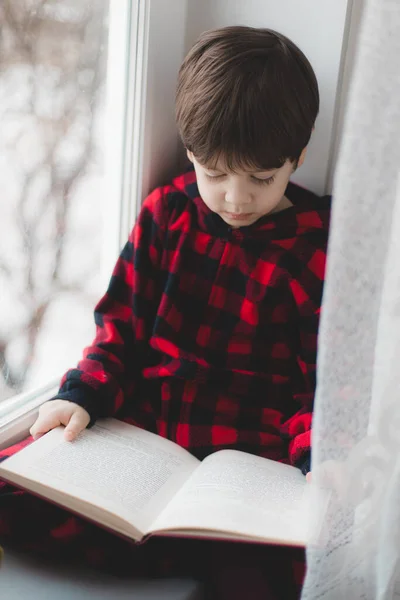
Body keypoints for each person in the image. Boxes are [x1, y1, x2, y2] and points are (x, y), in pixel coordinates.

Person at [0, 26, 331, 598]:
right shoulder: (165, 215)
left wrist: (317, 461)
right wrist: (81, 395)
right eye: (216, 174)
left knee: (275, 569)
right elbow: (119, 329)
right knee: (18, 486)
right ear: (191, 153)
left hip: (248, 455)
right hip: (146, 431)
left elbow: (319, 387)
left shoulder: (314, 246)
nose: (236, 197)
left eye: (261, 178)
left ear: (296, 157)